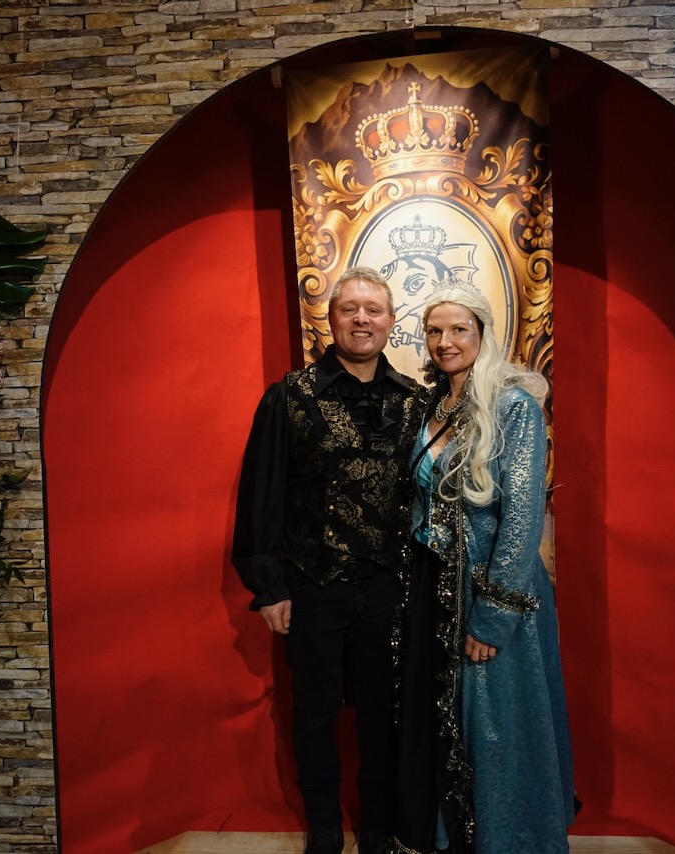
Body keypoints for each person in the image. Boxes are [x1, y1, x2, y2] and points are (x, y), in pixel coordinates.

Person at [233, 267, 424, 854]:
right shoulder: (289, 396)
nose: (362, 319)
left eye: (373, 309)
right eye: (350, 309)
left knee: (384, 713)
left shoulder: (416, 401)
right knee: (315, 711)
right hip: (311, 585)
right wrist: (268, 587)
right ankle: (322, 825)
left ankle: (379, 824)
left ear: (391, 322)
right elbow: (261, 495)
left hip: (391, 589)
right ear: (331, 318)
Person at [393, 287, 575, 854]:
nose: (445, 342)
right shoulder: (433, 404)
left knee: (494, 724)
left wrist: (494, 615)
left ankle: (508, 840)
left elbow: (522, 516)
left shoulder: (514, 406)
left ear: (482, 334)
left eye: (459, 330)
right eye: (434, 331)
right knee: (443, 719)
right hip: (435, 586)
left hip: (489, 587)